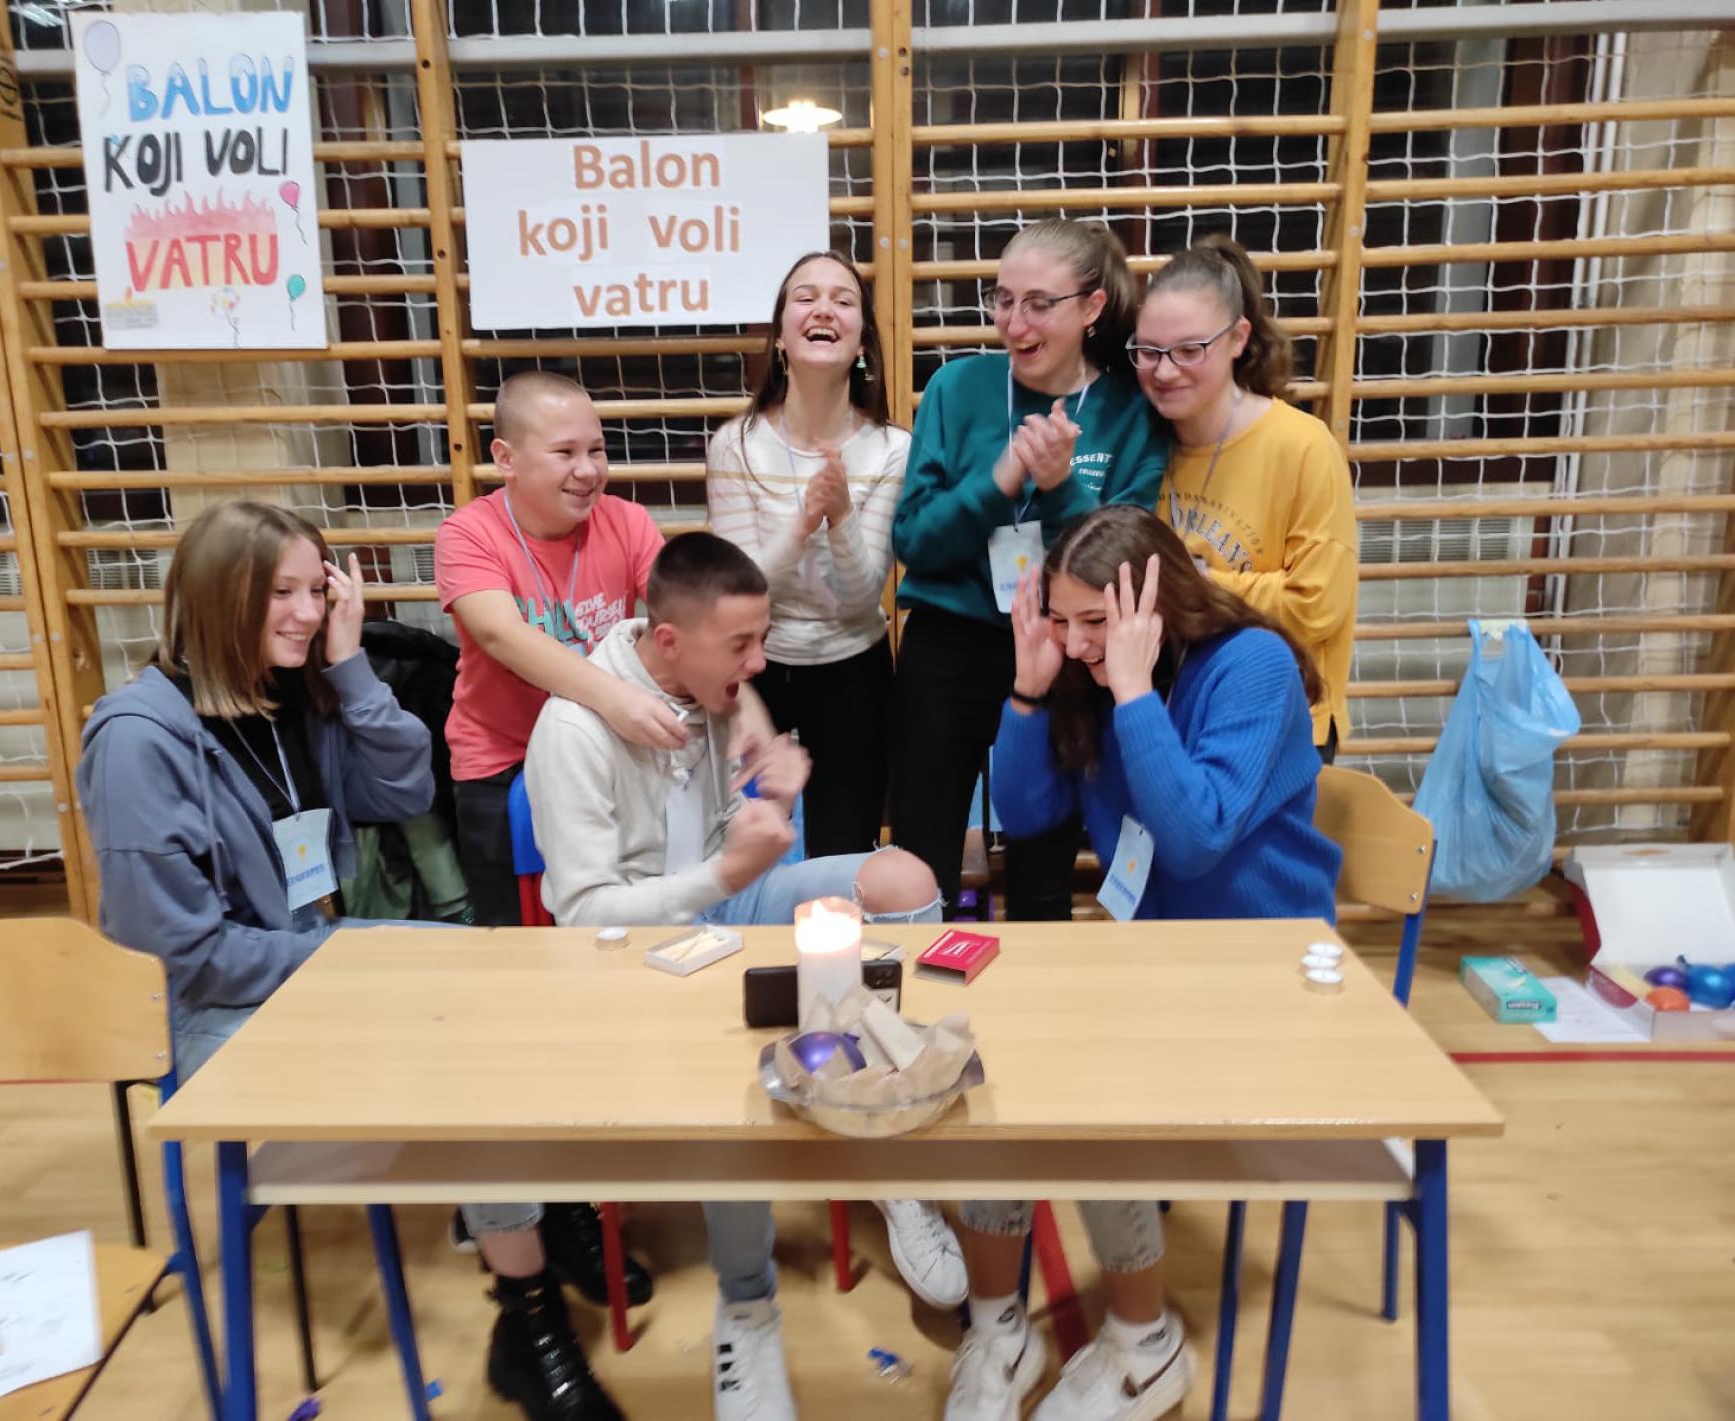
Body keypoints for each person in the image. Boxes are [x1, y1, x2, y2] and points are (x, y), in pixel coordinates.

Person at [78, 500, 625, 1421]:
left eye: (316, 589)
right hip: (214, 1011)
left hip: (309, 966)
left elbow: (406, 786)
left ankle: (532, 1220)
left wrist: (349, 664)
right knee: (464, 1044)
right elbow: (183, 954)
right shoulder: (140, 739)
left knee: (501, 983)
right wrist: (348, 964)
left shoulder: (295, 692)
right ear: (216, 598)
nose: (305, 612)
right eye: (280, 594)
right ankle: (529, 1309)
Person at [526, 532, 964, 1421]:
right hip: (636, 949)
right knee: (729, 1076)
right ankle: (748, 1305)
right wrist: (726, 873)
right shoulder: (573, 730)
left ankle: (885, 1147)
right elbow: (583, 915)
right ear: (668, 638)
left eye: (761, 638)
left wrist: (773, 806)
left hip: (725, 907)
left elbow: (729, 836)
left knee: (904, 881)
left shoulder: (711, 688)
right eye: (744, 643)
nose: (760, 662)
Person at [945, 506, 1339, 1421]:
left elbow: (1195, 839)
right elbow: (1027, 813)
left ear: (1155, 607)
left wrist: (1131, 692)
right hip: (1155, 962)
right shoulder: (1086, 674)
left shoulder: (1251, 665)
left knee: (1086, 1085)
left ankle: (1144, 1341)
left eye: (1097, 621)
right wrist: (1029, 691)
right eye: (1062, 619)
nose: (1078, 641)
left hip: (1262, 968)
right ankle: (998, 1326)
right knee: (987, 1059)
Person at [432, 371, 661, 1336]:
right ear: (506, 458)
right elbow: (504, 636)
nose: (588, 469)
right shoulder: (470, 533)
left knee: (600, 978)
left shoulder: (629, 523)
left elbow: (678, 618)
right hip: (500, 773)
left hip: (606, 776)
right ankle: (539, 1208)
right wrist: (618, 699)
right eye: (565, 452)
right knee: (519, 1001)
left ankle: (581, 1189)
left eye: (597, 449)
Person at [891, 218, 1167, 922]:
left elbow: (1121, 559)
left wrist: (1062, 486)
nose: (1015, 324)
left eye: (1039, 304)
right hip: (948, 647)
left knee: (1043, 864)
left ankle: (1040, 992)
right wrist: (1003, 479)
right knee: (921, 863)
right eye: (1003, 300)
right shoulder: (958, 387)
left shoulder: (1129, 410)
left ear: (1092, 307)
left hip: (1061, 648)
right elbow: (914, 540)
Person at [706, 250, 907, 855]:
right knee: (741, 849)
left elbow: (860, 598)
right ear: (780, 337)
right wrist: (802, 525)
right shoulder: (735, 445)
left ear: (862, 342)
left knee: (842, 855)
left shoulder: (893, 449)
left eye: (843, 301)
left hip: (854, 669)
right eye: (806, 297)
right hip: (752, 669)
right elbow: (736, 592)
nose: (823, 310)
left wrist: (840, 516)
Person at [1136, 234, 1359, 762]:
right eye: (1148, 351)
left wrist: (1194, 587)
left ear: (1238, 338)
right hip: (1174, 712)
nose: (1164, 371)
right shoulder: (1144, 441)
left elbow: (1316, 606)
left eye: (1189, 350)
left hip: (1282, 720)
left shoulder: (1302, 446)